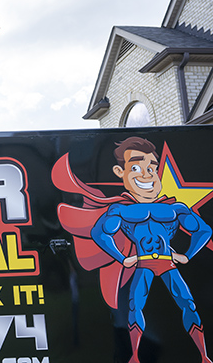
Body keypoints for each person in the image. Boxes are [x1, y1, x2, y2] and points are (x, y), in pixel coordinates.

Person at [87, 137, 212, 363]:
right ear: (119, 171)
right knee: (135, 306)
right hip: (143, 262)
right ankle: (135, 356)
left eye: (151, 167)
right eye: (136, 167)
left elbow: (203, 230)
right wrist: (122, 258)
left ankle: (204, 356)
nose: (146, 174)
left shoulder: (174, 208)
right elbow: (99, 233)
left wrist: (187, 255)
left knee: (187, 302)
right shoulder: (121, 211)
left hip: (167, 261)